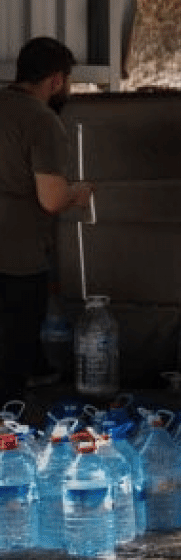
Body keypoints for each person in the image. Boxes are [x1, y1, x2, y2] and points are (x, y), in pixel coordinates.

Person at [0, 37, 95, 405]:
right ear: (56, 80)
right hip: (17, 260)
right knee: (11, 365)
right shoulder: (42, 120)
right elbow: (52, 199)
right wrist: (80, 191)